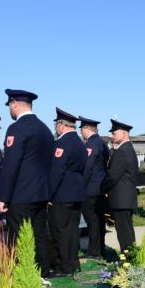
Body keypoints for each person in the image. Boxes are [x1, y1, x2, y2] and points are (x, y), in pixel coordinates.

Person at [0, 89, 54, 274]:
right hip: (41, 192)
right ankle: (43, 270)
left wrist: (3, 197)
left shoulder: (17, 128)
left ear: (14, 103)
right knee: (39, 234)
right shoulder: (44, 129)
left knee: (20, 236)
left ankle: (25, 272)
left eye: (9, 106)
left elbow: (11, 165)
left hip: (22, 194)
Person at [49, 108, 88, 277]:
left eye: (56, 124)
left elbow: (57, 170)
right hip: (76, 193)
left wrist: (48, 194)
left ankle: (64, 266)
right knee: (72, 231)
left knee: (60, 232)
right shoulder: (79, 142)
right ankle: (73, 263)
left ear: (61, 125)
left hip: (62, 194)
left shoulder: (63, 143)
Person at [101, 119, 138, 253]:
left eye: (114, 133)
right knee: (127, 230)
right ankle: (131, 256)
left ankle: (127, 259)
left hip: (121, 198)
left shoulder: (122, 150)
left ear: (124, 134)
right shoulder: (128, 148)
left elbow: (112, 176)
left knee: (124, 232)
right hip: (125, 198)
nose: (112, 136)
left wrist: (102, 189)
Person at [79, 116, 110, 260]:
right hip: (100, 188)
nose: (81, 133)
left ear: (86, 129)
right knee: (99, 221)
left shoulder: (90, 144)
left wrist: (80, 186)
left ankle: (94, 251)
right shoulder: (102, 143)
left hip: (90, 189)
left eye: (82, 129)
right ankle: (100, 249)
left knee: (92, 222)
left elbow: (87, 168)